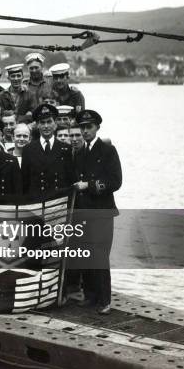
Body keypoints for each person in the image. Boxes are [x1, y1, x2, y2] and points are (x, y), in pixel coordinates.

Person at [73, 109, 122, 315]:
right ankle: (91, 295)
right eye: (82, 127)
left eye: (89, 127)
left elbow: (115, 182)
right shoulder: (80, 153)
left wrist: (89, 185)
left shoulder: (108, 151)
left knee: (100, 255)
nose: (85, 131)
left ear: (97, 128)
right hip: (84, 213)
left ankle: (104, 300)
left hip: (102, 212)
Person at [21, 104, 75, 196]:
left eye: (49, 122)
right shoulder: (28, 149)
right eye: (42, 122)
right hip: (36, 201)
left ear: (55, 124)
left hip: (58, 200)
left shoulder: (66, 149)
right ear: (37, 125)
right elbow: (25, 181)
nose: (46, 126)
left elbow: (70, 179)